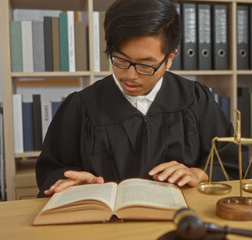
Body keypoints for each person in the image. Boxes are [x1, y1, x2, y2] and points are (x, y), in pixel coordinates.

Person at [36, 0, 239, 198]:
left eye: (145, 65)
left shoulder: (195, 99)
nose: (130, 76)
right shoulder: (81, 107)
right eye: (120, 60)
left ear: (169, 58)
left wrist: (200, 173)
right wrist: (71, 183)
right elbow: (51, 170)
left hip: (182, 219)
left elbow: (232, 159)